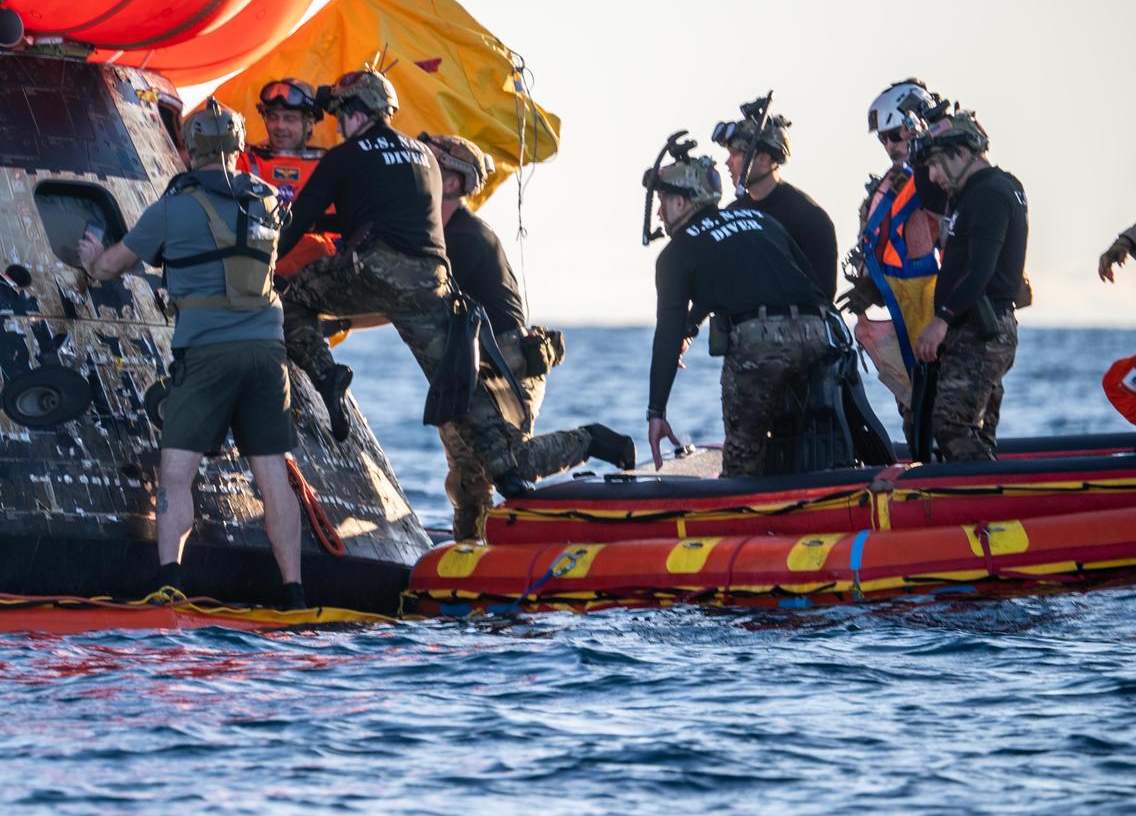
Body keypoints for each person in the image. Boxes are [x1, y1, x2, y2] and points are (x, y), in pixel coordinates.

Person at [277, 69, 633, 499]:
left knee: (288, 301)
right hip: (432, 284)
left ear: (355, 113)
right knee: (457, 392)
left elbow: (300, 219)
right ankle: (509, 475)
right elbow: (395, 215)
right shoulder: (424, 159)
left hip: (379, 273)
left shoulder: (345, 156)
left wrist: (264, 263)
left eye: (340, 115)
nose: (337, 125)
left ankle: (326, 374)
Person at [76, 99, 306, 609]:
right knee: (272, 474)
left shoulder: (173, 207)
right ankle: (293, 590)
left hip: (206, 353)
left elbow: (113, 266)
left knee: (177, 470)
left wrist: (92, 259)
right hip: (268, 353)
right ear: (240, 146)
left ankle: (169, 582)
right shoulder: (268, 199)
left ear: (189, 148)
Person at [420, 133, 602, 537]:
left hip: (505, 363)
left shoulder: (466, 239)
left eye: (429, 167)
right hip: (467, 364)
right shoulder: (442, 236)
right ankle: (471, 554)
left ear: (450, 183)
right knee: (468, 482)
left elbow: (414, 295)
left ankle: (591, 441)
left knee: (509, 463)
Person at [642, 137, 833, 477]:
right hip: (818, 333)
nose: (659, 212)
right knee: (817, 431)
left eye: (664, 200)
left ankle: (743, 502)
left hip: (759, 346)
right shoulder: (760, 221)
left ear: (684, 202)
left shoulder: (676, 254)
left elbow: (667, 335)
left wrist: (656, 412)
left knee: (744, 452)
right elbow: (808, 282)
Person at [911, 110, 1028, 463]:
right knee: (974, 431)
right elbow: (928, 192)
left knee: (952, 425)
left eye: (935, 164)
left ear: (963, 153)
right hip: (979, 329)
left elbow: (980, 270)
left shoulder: (989, 193)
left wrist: (941, 320)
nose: (933, 176)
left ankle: (990, 503)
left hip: (981, 331)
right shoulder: (980, 191)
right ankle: (986, 500)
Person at [842, 80, 944, 411]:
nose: (888, 145)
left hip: (942, 325)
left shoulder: (940, 177)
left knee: (949, 421)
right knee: (917, 421)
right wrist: (870, 286)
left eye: (895, 135)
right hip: (908, 325)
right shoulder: (891, 184)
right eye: (883, 138)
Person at [713, 98, 839, 299]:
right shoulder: (730, 215)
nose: (728, 162)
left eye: (736, 153)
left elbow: (823, 296)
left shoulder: (809, 218)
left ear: (763, 158)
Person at [241, 77, 337, 276]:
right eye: (273, 117)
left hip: (313, 281)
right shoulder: (245, 161)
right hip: (252, 274)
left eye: (290, 118)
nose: (279, 126)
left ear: (310, 122)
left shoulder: (330, 165)